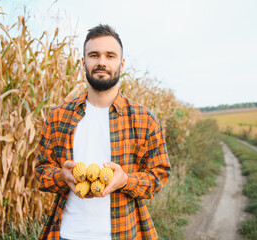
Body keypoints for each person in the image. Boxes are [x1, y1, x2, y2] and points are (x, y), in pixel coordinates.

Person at [35, 24, 171, 240]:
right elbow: (41, 171)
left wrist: (126, 180)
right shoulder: (58, 116)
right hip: (67, 233)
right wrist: (62, 176)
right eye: (94, 55)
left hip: (124, 232)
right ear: (84, 62)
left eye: (110, 56)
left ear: (121, 63)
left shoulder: (144, 119)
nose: (101, 62)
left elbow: (159, 175)